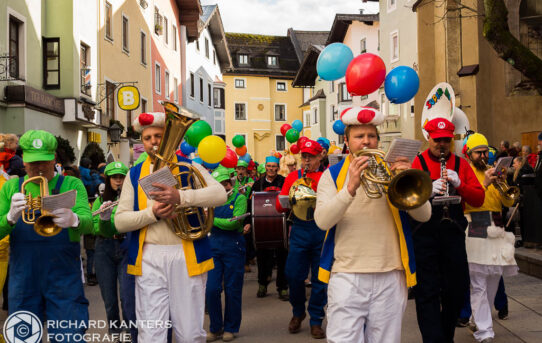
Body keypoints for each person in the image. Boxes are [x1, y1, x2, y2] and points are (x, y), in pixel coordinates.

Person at [314, 107, 432, 343]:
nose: (366, 141)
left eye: (371, 136)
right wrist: (349, 189)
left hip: (391, 275)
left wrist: (406, 178)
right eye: (359, 137)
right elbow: (322, 221)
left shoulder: (392, 170)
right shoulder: (332, 175)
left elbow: (424, 215)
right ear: (347, 141)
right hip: (347, 275)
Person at [114, 111, 226, 343]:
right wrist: (151, 214)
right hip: (149, 257)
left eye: (158, 136)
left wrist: (181, 198)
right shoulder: (134, 174)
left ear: (167, 138)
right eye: (147, 138)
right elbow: (120, 221)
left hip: (186, 254)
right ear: (142, 142)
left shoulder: (188, 166)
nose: (153, 142)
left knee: (190, 332)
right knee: (150, 334)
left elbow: (220, 194)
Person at [0, 130, 92, 342]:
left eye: (43, 161)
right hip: (24, 277)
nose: (38, 167)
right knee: (23, 338)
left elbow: (89, 226)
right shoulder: (11, 187)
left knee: (70, 337)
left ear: (54, 159)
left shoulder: (72, 184)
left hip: (63, 277)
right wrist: (10, 218)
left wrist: (75, 219)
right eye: (32, 162)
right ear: (23, 160)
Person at [411, 118, 485, 343]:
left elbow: (479, 198)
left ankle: (446, 335)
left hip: (452, 233)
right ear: (428, 139)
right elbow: (408, 200)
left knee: (456, 287)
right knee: (427, 291)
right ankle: (433, 339)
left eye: (446, 140)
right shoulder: (417, 162)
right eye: (437, 140)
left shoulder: (461, 164)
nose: (441, 145)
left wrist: (460, 184)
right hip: (425, 233)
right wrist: (427, 190)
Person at [458, 133, 518, 342]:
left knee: (493, 277)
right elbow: (467, 201)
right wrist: (484, 183)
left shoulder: (494, 171)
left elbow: (508, 203)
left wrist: (502, 185)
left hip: (497, 224)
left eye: (485, 152)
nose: (483, 156)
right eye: (478, 152)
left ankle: (478, 319)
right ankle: (485, 331)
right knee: (478, 281)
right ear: (469, 154)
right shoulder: (466, 171)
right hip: (477, 222)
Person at [277, 139, 327, 339]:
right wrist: (290, 200)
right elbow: (280, 206)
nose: (307, 161)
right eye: (304, 157)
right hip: (299, 229)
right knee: (293, 275)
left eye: (311, 157)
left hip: (320, 229)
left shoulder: (325, 177)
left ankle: (316, 320)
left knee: (319, 279)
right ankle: (298, 312)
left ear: (319, 157)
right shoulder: (292, 177)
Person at [92, 161, 133, 340]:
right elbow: (93, 229)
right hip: (104, 248)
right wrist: (103, 219)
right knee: (109, 298)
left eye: (121, 177)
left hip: (126, 246)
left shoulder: (132, 200)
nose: (118, 181)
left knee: (127, 296)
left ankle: (131, 331)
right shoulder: (99, 201)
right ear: (108, 180)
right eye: (114, 177)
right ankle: (115, 332)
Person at [206, 168, 248, 342]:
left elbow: (234, 223)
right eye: (219, 184)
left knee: (233, 289)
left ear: (230, 183)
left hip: (233, 247)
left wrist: (211, 219)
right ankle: (215, 327)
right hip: (213, 247)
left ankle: (230, 327)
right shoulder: (209, 201)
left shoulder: (240, 198)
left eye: (225, 183)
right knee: (211, 289)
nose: (224, 187)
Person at [249, 156, 288, 300]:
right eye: (269, 166)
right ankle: (262, 285)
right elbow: (251, 205)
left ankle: (283, 287)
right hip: (262, 227)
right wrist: (248, 223)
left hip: (280, 226)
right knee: (262, 258)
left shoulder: (284, 182)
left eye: (274, 166)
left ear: (278, 167)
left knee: (282, 258)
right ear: (265, 167)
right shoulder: (257, 184)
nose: (271, 169)